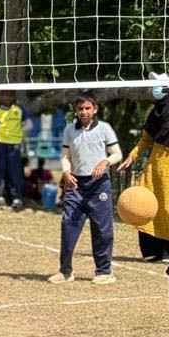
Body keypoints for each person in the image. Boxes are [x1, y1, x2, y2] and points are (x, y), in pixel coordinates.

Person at [118, 74, 169, 260]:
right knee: (147, 205)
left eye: (158, 86)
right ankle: (152, 251)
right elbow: (145, 139)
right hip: (153, 163)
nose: (154, 89)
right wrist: (132, 156)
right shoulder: (153, 112)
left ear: (168, 89)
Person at [50, 93, 121, 285]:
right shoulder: (69, 130)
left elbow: (117, 154)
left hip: (99, 185)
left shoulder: (104, 129)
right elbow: (65, 156)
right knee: (68, 225)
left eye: (88, 108)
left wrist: (105, 161)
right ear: (76, 110)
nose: (84, 112)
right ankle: (65, 271)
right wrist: (66, 172)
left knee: (102, 229)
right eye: (80, 108)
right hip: (76, 184)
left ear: (95, 109)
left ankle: (104, 272)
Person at [0, 90, 25, 211]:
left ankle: (17, 198)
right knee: (0, 171)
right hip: (0, 144)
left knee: (15, 172)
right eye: (3, 95)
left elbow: (27, 124)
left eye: (9, 95)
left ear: (13, 97)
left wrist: (23, 139)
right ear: (0, 97)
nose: (6, 97)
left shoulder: (19, 110)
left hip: (15, 145)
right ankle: (0, 197)